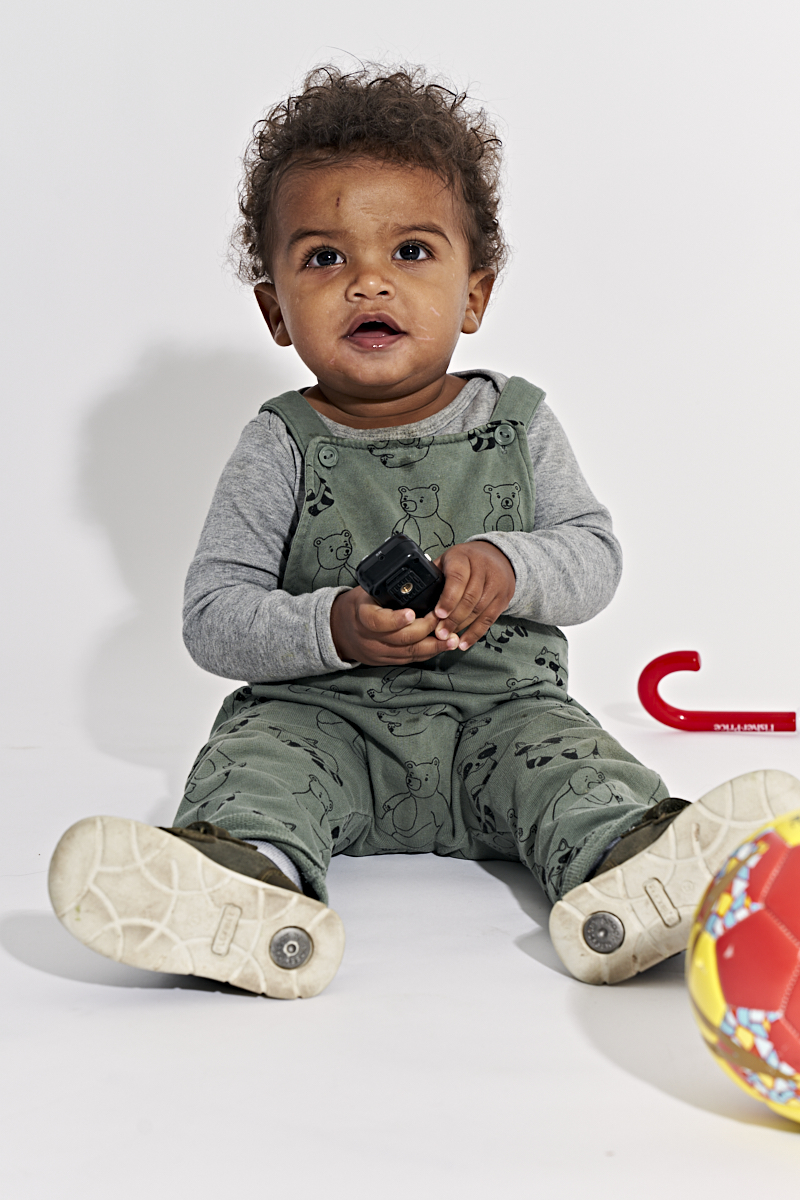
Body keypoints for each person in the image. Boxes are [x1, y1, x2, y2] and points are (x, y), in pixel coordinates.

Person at [48, 65, 800, 997]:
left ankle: (637, 871)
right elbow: (213, 616)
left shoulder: (519, 423)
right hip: (324, 723)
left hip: (506, 718)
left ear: (473, 295)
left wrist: (509, 564)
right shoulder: (280, 443)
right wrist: (333, 625)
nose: (369, 281)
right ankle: (245, 885)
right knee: (255, 771)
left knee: (579, 773)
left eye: (410, 251)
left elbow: (595, 558)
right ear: (275, 310)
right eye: (324, 258)